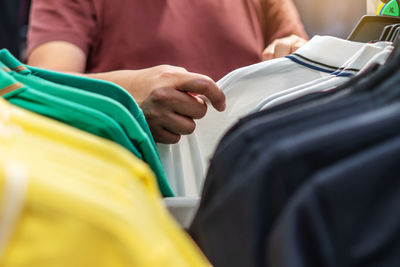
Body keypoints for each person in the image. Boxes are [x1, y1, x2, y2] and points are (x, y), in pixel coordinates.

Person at [26, 0, 308, 144]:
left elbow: (302, 61)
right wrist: (126, 97)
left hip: (246, 195)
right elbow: (40, 91)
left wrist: (299, 55)